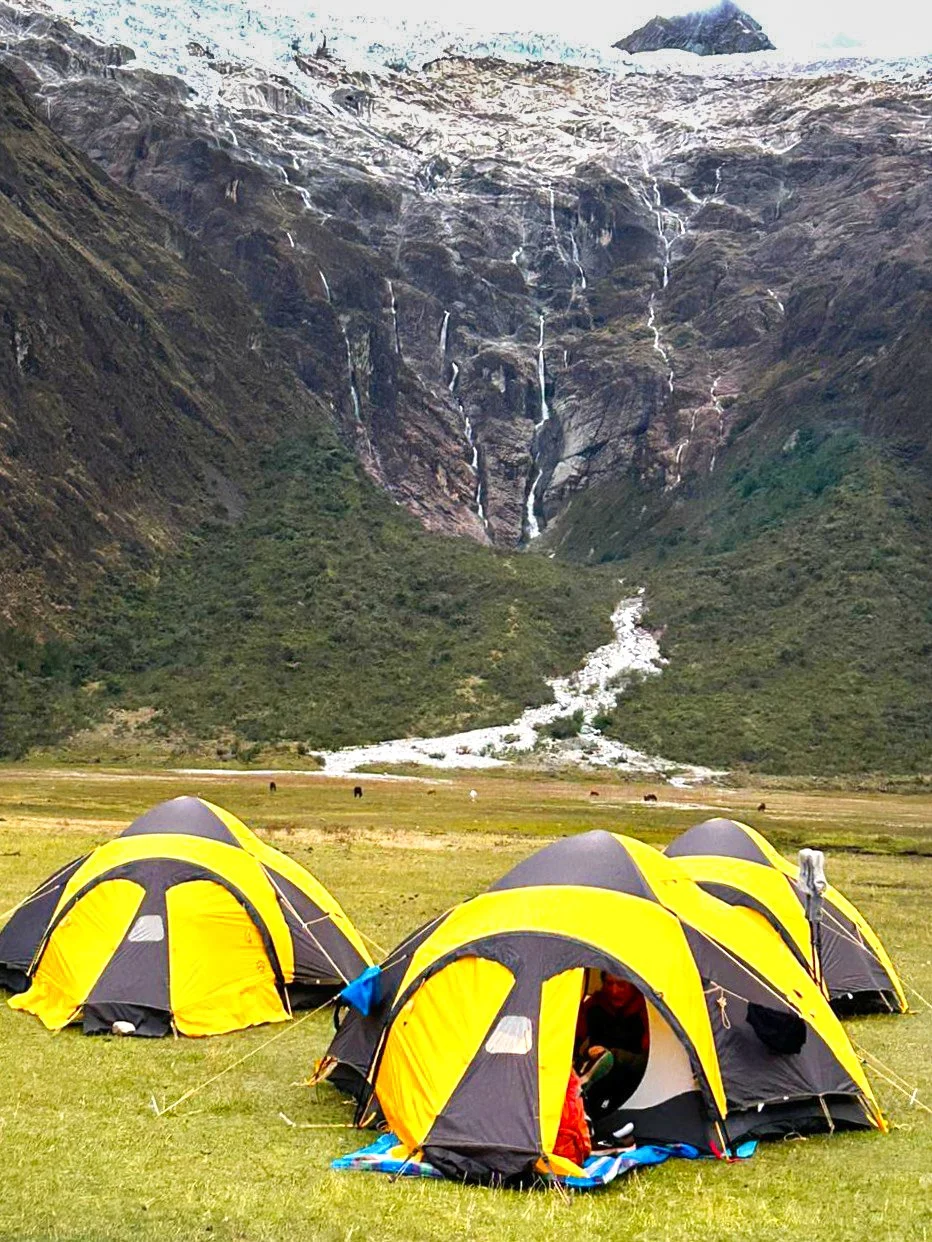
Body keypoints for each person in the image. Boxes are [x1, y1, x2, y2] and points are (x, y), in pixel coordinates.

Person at [576, 973, 649, 1121]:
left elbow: (649, 1061)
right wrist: (584, 1055)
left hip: (633, 1084)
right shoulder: (594, 1005)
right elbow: (572, 1040)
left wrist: (613, 1056)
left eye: (621, 985)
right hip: (596, 1080)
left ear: (634, 985)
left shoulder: (646, 1011)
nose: (614, 991)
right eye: (609, 984)